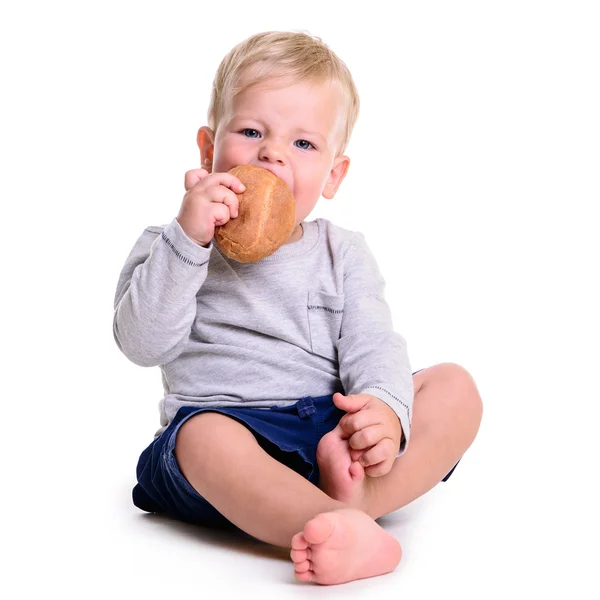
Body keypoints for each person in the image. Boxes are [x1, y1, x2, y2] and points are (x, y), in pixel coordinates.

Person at [113, 30, 483, 586]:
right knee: (202, 437)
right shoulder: (173, 243)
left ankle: (354, 499)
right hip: (228, 437)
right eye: (252, 131)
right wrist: (189, 240)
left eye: (304, 145)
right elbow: (141, 344)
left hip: (329, 434)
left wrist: (382, 415)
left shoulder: (341, 252)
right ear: (207, 148)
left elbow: (373, 343)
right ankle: (337, 520)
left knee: (456, 387)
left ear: (334, 175)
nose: (272, 153)